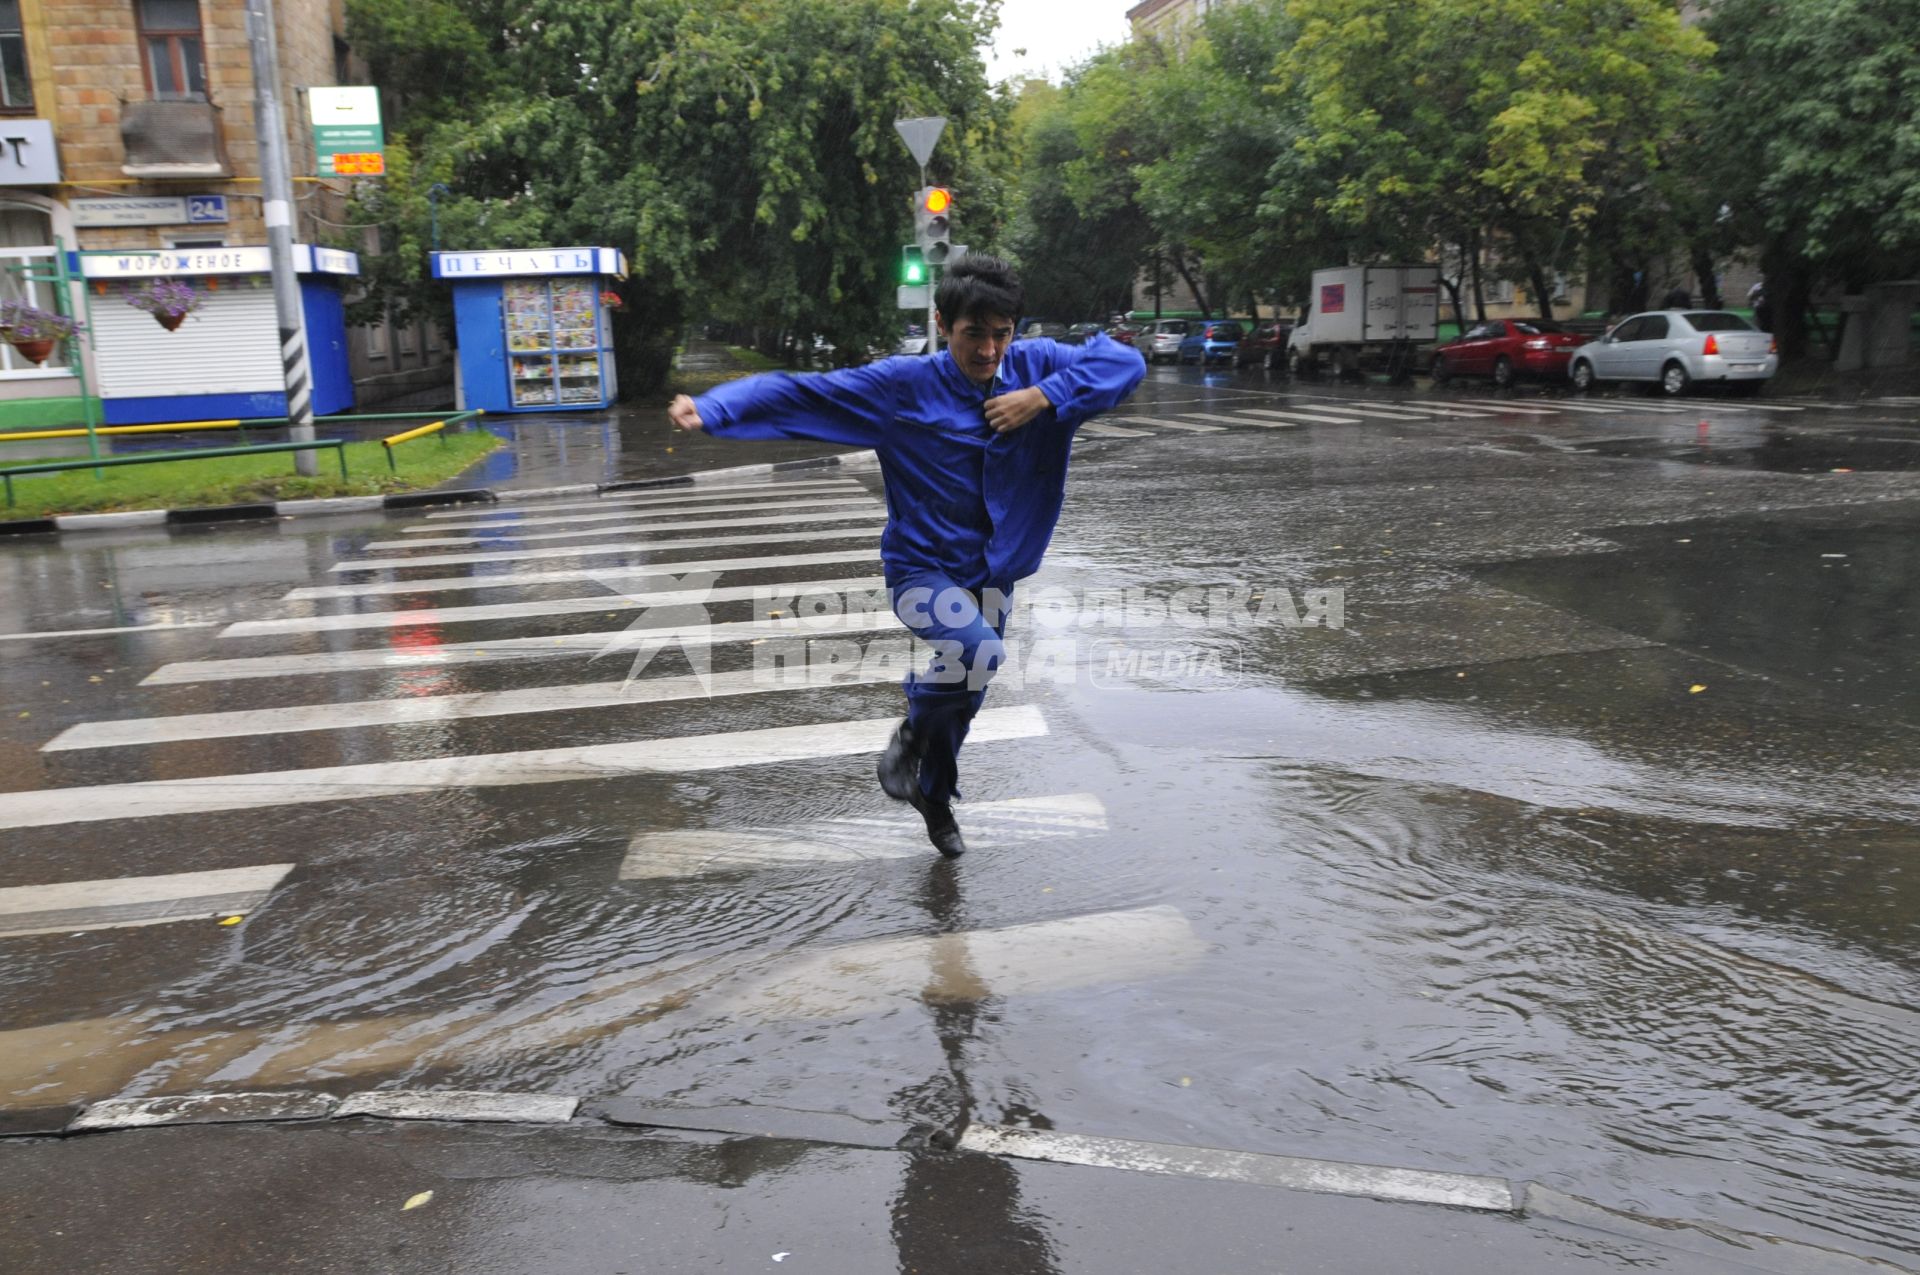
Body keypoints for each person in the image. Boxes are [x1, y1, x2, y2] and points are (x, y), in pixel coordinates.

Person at [668, 255, 1147, 857]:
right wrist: (716, 408)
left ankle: (934, 794)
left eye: (1002, 334)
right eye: (974, 334)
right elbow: (803, 393)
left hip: (994, 572)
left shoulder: (1039, 368)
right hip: (921, 569)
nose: (988, 351)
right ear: (944, 323)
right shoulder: (902, 387)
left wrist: (1042, 398)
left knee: (966, 699)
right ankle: (912, 731)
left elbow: (1126, 363)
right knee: (976, 652)